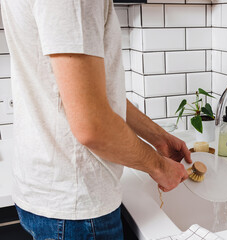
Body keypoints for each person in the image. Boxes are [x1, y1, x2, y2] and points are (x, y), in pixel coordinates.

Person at [1, 0, 192, 239]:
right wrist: (159, 167)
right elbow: (92, 126)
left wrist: (158, 136)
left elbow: (91, 97)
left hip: (48, 193)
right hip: (76, 206)